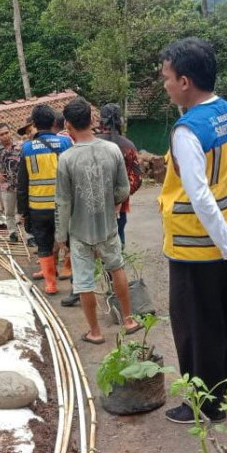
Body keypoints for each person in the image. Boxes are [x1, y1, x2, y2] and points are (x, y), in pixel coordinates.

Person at [158, 37, 227, 423]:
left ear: (185, 81)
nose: (165, 84)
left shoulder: (188, 130)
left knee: (196, 326)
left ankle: (206, 404)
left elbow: (200, 197)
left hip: (197, 248)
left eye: (167, 77)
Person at [54, 97, 141, 343]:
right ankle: (128, 320)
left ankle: (95, 332)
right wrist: (109, 203)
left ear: (67, 125)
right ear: (92, 120)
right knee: (117, 268)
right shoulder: (112, 150)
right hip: (108, 226)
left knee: (84, 281)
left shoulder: (67, 159)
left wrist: (61, 235)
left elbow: (63, 201)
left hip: (79, 231)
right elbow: (123, 189)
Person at [17, 105, 72, 294]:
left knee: (43, 243)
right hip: (63, 206)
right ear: (54, 123)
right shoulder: (65, 144)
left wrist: (23, 211)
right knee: (71, 242)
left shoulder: (26, 148)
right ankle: (75, 281)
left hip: (38, 207)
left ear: (34, 124)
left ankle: (51, 284)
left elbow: (22, 184)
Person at [96, 103, 143, 246]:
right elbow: (137, 179)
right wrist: (121, 197)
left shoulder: (91, 144)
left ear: (100, 121)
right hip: (120, 207)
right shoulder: (128, 146)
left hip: (93, 206)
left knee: (95, 244)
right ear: (120, 121)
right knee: (117, 240)